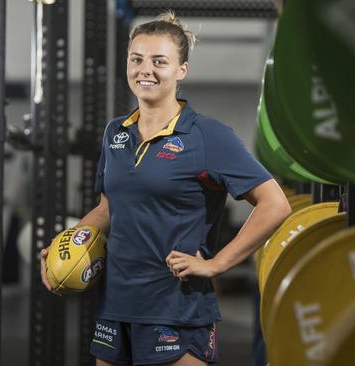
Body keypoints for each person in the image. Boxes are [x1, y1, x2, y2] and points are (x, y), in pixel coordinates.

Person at [40, 11, 291, 366]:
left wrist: (218, 264)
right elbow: (108, 209)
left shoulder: (207, 136)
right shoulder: (116, 132)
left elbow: (275, 204)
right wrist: (65, 246)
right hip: (116, 304)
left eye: (160, 61)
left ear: (181, 71)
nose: (146, 70)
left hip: (176, 309)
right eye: (137, 59)